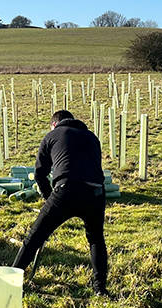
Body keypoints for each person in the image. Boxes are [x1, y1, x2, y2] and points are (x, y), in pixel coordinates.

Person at [12, 110, 108, 295]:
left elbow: (39, 174)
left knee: (34, 237)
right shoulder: (91, 136)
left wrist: (49, 199)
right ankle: (100, 289)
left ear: (54, 124)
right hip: (96, 192)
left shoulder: (52, 135)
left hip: (66, 189)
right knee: (96, 239)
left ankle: (13, 281)